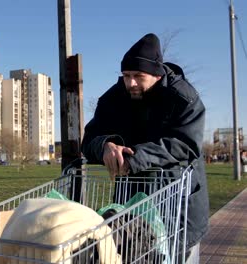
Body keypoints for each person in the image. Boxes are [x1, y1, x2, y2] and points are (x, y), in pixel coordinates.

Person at [81, 33, 209, 263]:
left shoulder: (183, 99)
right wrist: (104, 146)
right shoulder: (113, 99)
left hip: (177, 206)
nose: (130, 83)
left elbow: (185, 144)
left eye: (138, 76)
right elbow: (89, 139)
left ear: (157, 75)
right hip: (130, 207)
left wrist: (134, 158)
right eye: (126, 75)